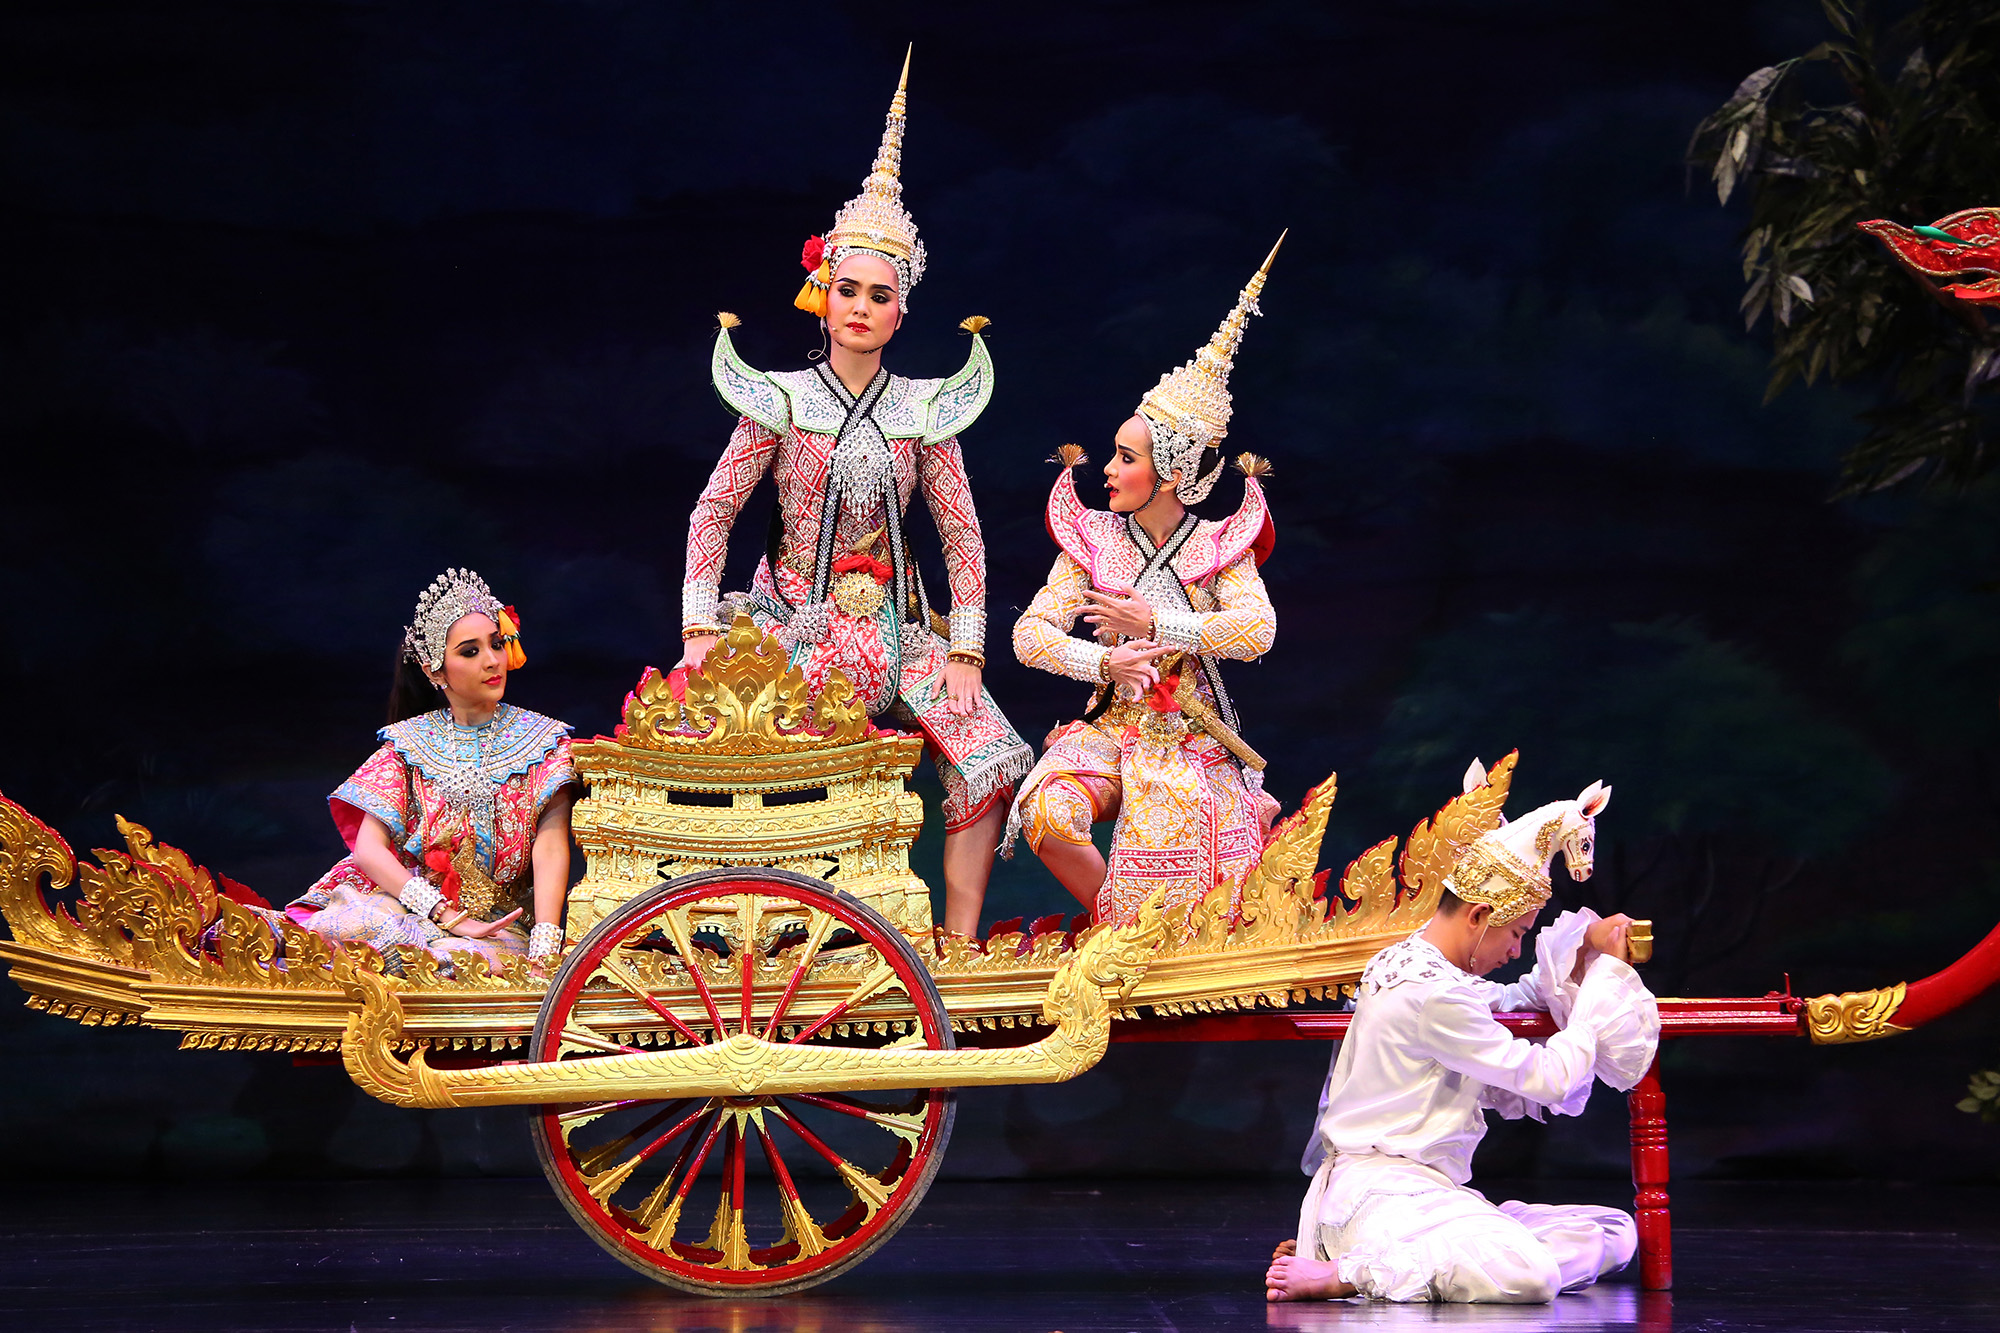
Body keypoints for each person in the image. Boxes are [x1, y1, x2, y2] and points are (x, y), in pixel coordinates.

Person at [679, 51, 1031, 937]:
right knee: (756, 760)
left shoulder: (926, 410)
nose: (861, 307)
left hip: (899, 632)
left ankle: (957, 945)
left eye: (880, 295)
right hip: (793, 623)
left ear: (901, 311)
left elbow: (963, 538)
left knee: (986, 754)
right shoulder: (781, 401)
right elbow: (713, 510)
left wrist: (967, 653)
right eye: (847, 290)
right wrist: (697, 629)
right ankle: (787, 932)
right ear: (822, 294)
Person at [1266, 783, 1659, 1305]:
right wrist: (1603, 984)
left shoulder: (1413, 961)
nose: (1516, 951)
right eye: (1515, 934)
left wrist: (1586, 946)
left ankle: (1407, 1251)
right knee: (1532, 1275)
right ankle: (1352, 1270)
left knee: (1613, 1232)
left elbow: (1512, 1000)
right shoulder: (1434, 994)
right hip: (1382, 1192)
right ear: (1477, 916)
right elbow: (1550, 1079)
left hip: (1420, 1195)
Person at [1005, 238, 1283, 926]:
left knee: (1177, 859)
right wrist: (1105, 661)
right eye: (1113, 454)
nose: (1107, 469)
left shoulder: (1219, 546)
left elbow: (1258, 631)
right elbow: (1029, 635)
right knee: (1046, 810)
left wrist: (1157, 624)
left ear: (1171, 473)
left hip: (1192, 740)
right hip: (1110, 729)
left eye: (1126, 458)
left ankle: (1152, 939)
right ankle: (1118, 930)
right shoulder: (1095, 540)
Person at [269, 568, 576, 971]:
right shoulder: (408, 743)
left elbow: (550, 846)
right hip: (413, 907)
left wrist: (545, 950)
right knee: (348, 935)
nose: (492, 660)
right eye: (470, 652)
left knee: (455, 964)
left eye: (497, 644)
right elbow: (368, 849)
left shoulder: (544, 741)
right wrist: (443, 913)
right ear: (434, 670)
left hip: (500, 924)